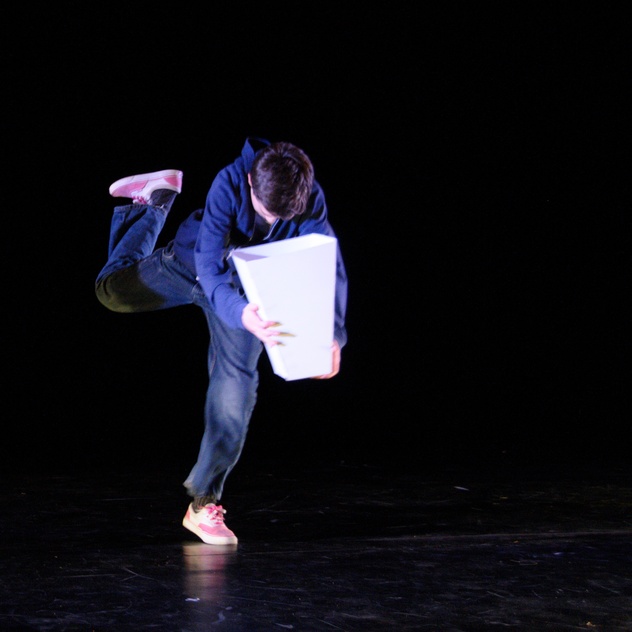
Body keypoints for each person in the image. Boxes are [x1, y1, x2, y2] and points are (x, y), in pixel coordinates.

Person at [95, 137, 348, 545]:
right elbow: (211, 274)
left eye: (283, 216)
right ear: (250, 182)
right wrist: (241, 313)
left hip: (248, 288)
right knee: (110, 293)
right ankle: (153, 203)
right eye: (265, 211)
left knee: (236, 386)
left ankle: (203, 504)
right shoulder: (227, 183)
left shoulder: (307, 195)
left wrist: (330, 333)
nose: (272, 221)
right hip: (192, 267)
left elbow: (326, 260)